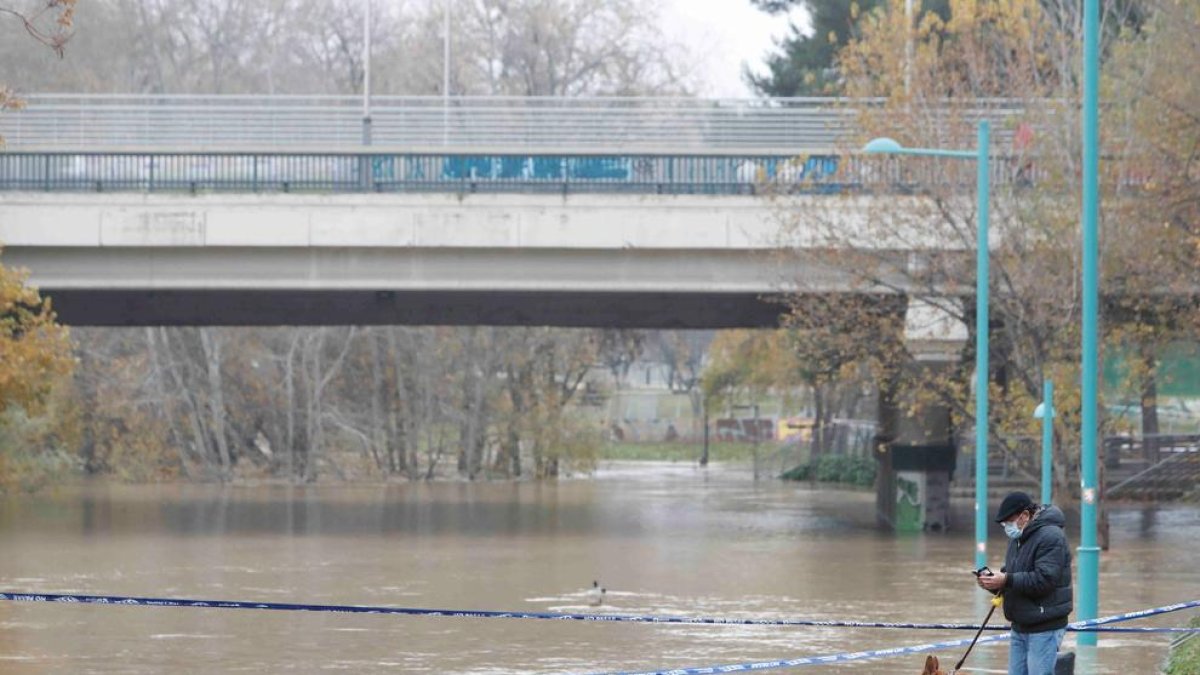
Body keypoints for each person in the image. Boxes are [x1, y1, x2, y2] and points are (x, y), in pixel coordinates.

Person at [977, 491, 1072, 675]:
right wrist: (993, 583)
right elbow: (1013, 576)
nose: (1007, 527)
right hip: (1020, 625)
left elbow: (1044, 580)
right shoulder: (1017, 539)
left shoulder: (1051, 537)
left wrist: (1006, 579)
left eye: (1009, 521)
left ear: (1025, 515)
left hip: (1045, 626)